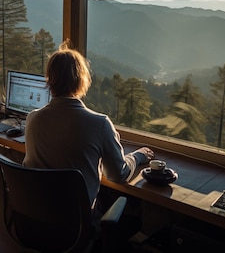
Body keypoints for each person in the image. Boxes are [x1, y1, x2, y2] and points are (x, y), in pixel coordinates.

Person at [23, 40, 155, 209]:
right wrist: (138, 156)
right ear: (82, 80)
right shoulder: (100, 124)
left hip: (37, 212)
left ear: (49, 79)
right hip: (76, 221)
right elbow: (117, 175)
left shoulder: (33, 119)